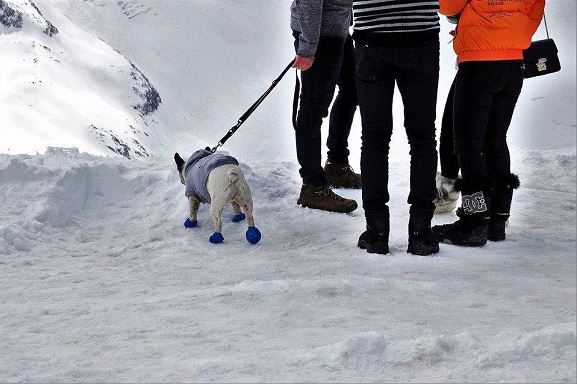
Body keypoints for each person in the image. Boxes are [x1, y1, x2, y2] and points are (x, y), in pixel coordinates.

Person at [433, 0, 545, 246]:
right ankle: (497, 219)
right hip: (513, 63)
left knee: (469, 146)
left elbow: (448, 5)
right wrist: (513, 30)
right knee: (495, 140)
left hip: (478, 62)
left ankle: (474, 223)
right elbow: (536, 9)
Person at [353, 0, 442, 256]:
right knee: (423, 137)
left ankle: (376, 231)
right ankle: (421, 232)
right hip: (420, 37)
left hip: (372, 36)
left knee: (374, 138)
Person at [291, 0, 362, 214]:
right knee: (313, 109)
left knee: (353, 89)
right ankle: (313, 186)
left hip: (336, 29)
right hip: (319, 35)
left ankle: (336, 166)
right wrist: (308, 47)